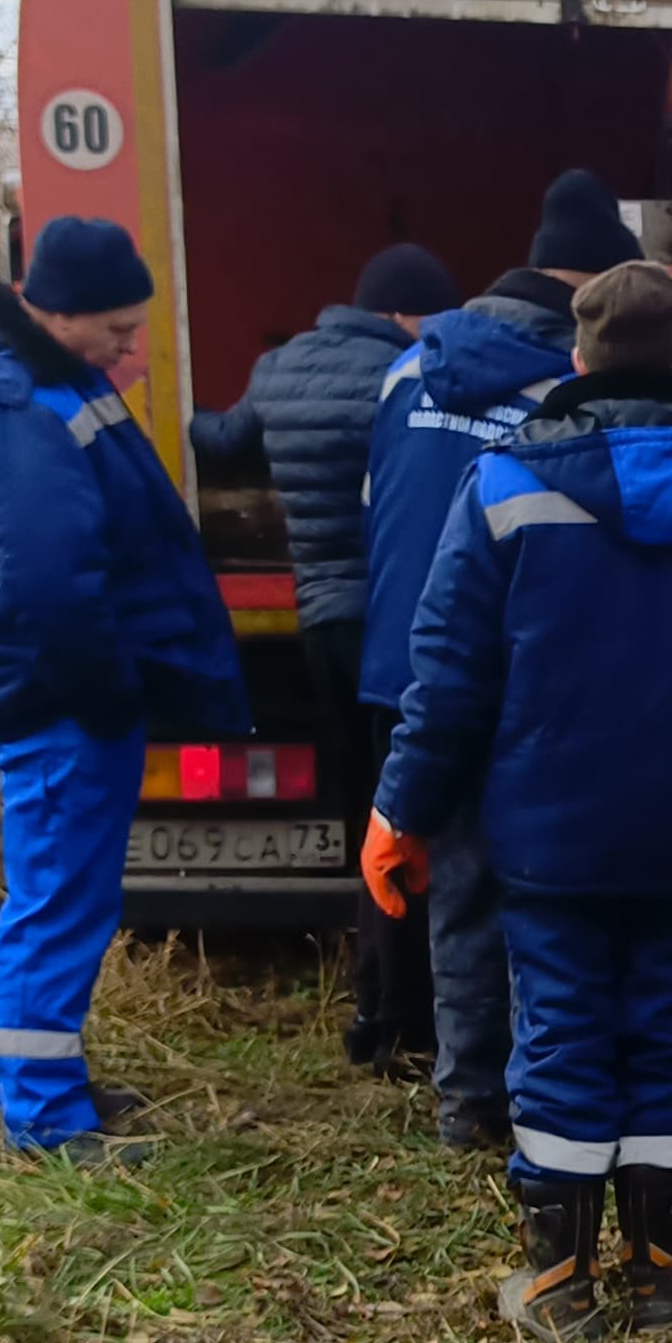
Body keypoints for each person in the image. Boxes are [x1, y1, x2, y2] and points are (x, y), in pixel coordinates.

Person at [362, 260, 672, 1339]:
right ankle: (666, 1262)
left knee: (565, 1031)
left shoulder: (502, 489)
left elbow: (447, 684)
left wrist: (401, 814)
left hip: (553, 838)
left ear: (573, 361)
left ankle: (556, 1280)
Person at [0, 215, 248, 1163]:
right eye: (116, 332)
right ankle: (47, 1123)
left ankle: (55, 1088)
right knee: (57, 899)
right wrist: (105, 695)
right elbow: (48, 584)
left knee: (72, 896)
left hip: (55, 694)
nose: (131, 350)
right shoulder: (17, 406)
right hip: (56, 700)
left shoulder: (38, 379)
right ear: (56, 315)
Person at [360, 170, 636, 1150]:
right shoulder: (573, 389)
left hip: (410, 660)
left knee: (457, 887)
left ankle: (466, 1101)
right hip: (524, 670)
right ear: (601, 283)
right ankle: (539, 1100)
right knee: (546, 893)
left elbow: (378, 511)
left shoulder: (411, 365)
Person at [190, 241, 458, 1074]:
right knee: (408, 817)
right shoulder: (405, 381)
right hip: (390, 621)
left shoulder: (278, 368)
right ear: (405, 314)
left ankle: (371, 999)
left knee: (361, 816)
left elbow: (222, 439)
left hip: (319, 623)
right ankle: (407, 1013)